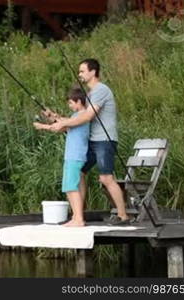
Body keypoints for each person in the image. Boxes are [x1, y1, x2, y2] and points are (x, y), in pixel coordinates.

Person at [49, 58, 129, 225]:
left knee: (106, 178)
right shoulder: (90, 94)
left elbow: (87, 116)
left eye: (82, 71)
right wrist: (57, 118)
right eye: (79, 71)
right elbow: (78, 117)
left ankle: (123, 216)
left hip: (104, 141)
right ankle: (78, 216)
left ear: (93, 72)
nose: (80, 75)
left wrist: (63, 123)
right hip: (93, 141)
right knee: (79, 173)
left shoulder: (101, 90)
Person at [34, 87, 89, 227]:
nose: (69, 106)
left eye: (71, 103)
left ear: (78, 102)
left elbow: (57, 127)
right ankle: (76, 217)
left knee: (72, 187)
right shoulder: (76, 117)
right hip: (72, 156)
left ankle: (79, 219)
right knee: (69, 187)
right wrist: (52, 115)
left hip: (75, 156)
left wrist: (42, 126)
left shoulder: (83, 116)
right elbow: (63, 124)